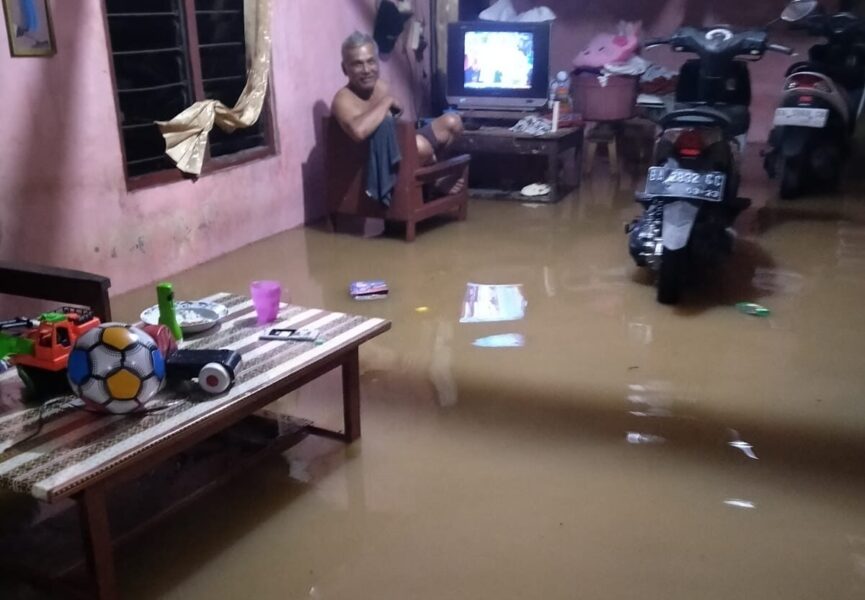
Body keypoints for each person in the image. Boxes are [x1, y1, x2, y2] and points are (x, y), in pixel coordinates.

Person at [331, 31, 465, 170]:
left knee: (453, 122)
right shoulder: (342, 99)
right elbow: (358, 132)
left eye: (371, 62)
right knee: (420, 147)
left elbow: (396, 119)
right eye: (357, 64)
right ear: (344, 69)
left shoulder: (381, 86)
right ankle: (433, 177)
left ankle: (433, 173)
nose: (366, 70)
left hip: (398, 143)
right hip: (376, 159)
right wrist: (386, 102)